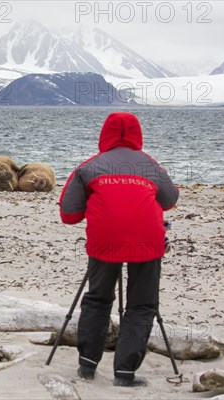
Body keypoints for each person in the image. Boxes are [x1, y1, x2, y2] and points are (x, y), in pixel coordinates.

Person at [59, 112, 179, 387]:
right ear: (138, 135)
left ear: (104, 134)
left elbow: (68, 214)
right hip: (147, 239)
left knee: (98, 299)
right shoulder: (151, 166)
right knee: (142, 304)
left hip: (105, 239)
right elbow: (170, 200)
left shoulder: (88, 167)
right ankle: (125, 372)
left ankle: (87, 365)